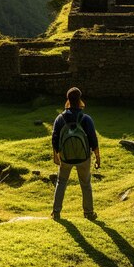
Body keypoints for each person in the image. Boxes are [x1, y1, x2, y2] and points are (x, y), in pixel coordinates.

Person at [51, 87, 100, 220]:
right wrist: (97, 157)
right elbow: (93, 139)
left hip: (65, 158)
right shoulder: (86, 118)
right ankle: (89, 213)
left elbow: (55, 138)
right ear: (79, 100)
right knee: (85, 184)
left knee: (61, 182)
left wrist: (57, 155)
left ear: (68, 100)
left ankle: (56, 213)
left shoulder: (60, 118)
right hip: (83, 157)